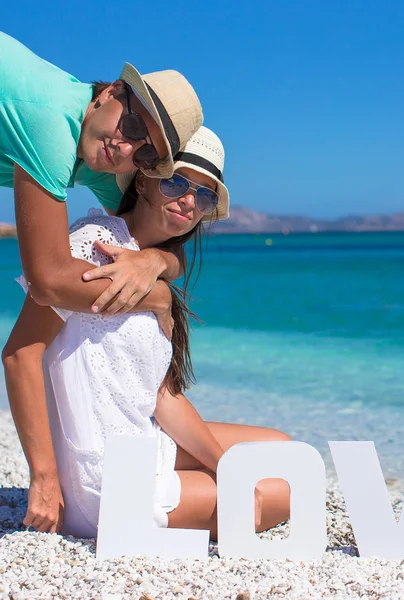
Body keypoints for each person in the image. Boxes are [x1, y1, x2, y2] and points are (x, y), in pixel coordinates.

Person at [3, 127, 291, 538]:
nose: (189, 201)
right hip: (103, 478)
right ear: (143, 179)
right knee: (279, 493)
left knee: (283, 450)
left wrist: (222, 467)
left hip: (143, 443)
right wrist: (44, 479)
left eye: (203, 194)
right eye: (177, 182)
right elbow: (20, 354)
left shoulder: (151, 268)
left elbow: (161, 397)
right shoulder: (93, 245)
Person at [1, 30, 203, 534]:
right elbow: (48, 280)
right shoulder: (50, 118)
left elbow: (156, 235)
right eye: (133, 123)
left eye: (146, 153)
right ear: (111, 91)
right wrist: (156, 296)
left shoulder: (99, 159)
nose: (126, 146)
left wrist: (154, 263)